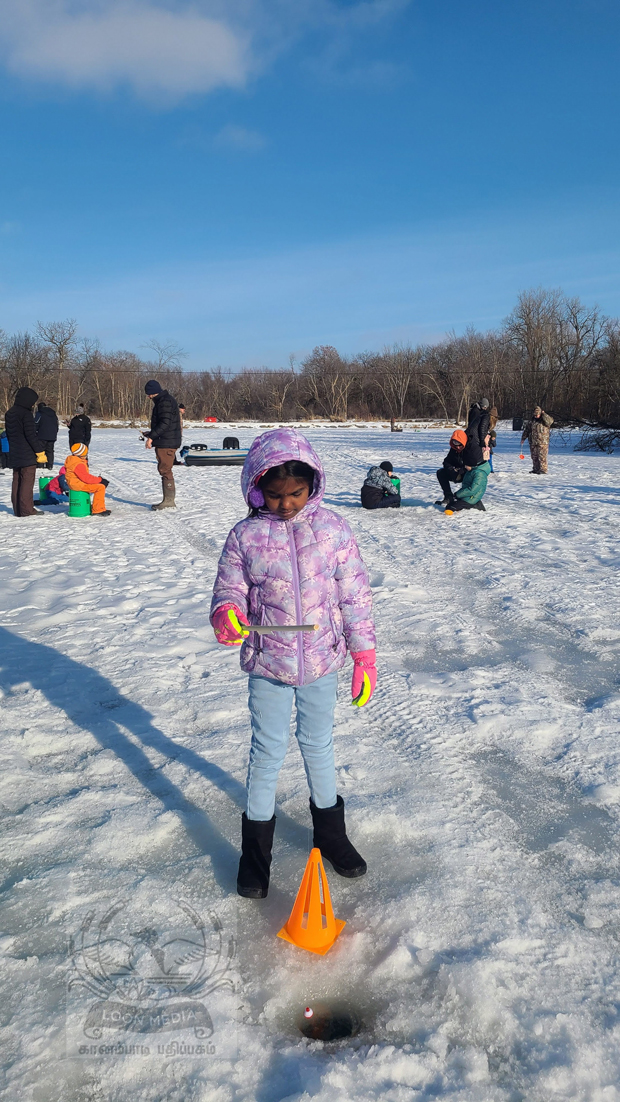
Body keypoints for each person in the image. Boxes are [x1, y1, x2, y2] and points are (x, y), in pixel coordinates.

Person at [210, 427, 376, 899]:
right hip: (269, 664)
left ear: (312, 485)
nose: (285, 504)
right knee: (267, 752)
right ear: (256, 487)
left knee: (318, 745)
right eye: (275, 495)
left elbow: (355, 596)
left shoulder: (333, 530)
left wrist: (363, 655)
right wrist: (227, 613)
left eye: (296, 493)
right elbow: (229, 588)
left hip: (321, 662)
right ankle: (255, 856)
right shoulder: (245, 535)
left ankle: (331, 836)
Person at [5, 386, 48, 517]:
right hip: (27, 453)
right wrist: (40, 452)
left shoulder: (9, 413)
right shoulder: (26, 414)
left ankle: (17, 509)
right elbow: (31, 436)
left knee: (17, 480)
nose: (33, 405)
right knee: (27, 481)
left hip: (14, 451)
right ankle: (27, 510)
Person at [143, 380, 182, 509]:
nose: (148, 397)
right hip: (165, 440)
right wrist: (151, 433)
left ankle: (169, 501)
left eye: (149, 394)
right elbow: (164, 423)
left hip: (167, 442)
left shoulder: (164, 402)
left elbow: (165, 423)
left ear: (154, 392)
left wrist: (151, 437)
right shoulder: (164, 401)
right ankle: (167, 500)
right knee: (164, 469)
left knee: (165, 470)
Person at [64, 443, 110, 516]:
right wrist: (100, 480)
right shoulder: (78, 464)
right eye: (85, 454)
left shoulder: (72, 460)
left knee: (98, 485)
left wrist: (98, 480)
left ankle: (95, 506)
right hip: (78, 485)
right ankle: (98, 509)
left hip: (75, 483)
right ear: (81, 454)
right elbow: (86, 478)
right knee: (100, 487)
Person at [435, 429, 467, 504]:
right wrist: (451, 470)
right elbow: (446, 461)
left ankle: (464, 498)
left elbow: (472, 464)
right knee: (441, 472)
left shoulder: (470, 450)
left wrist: (462, 470)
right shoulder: (453, 450)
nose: (458, 447)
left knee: (469, 475)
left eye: (460, 445)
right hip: (455, 473)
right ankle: (448, 497)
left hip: (466, 473)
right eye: (455, 445)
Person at [521, 406, 554, 474]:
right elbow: (527, 430)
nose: (536, 416)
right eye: (535, 415)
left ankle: (543, 470)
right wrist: (523, 438)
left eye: (537, 415)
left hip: (542, 442)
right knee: (534, 456)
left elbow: (550, 422)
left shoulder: (544, 420)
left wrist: (544, 414)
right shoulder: (531, 421)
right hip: (533, 442)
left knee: (542, 457)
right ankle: (536, 469)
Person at [463, 398, 491, 468]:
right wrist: (481, 440)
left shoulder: (474, 410)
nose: (485, 409)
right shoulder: (476, 412)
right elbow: (477, 426)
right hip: (474, 436)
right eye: (484, 407)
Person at [35, 401, 59, 469]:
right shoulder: (53, 414)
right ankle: (50, 465)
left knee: (41, 450)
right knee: (50, 450)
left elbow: (36, 423)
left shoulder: (39, 413)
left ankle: (40, 464)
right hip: (52, 435)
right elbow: (56, 424)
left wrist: (35, 431)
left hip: (42, 435)